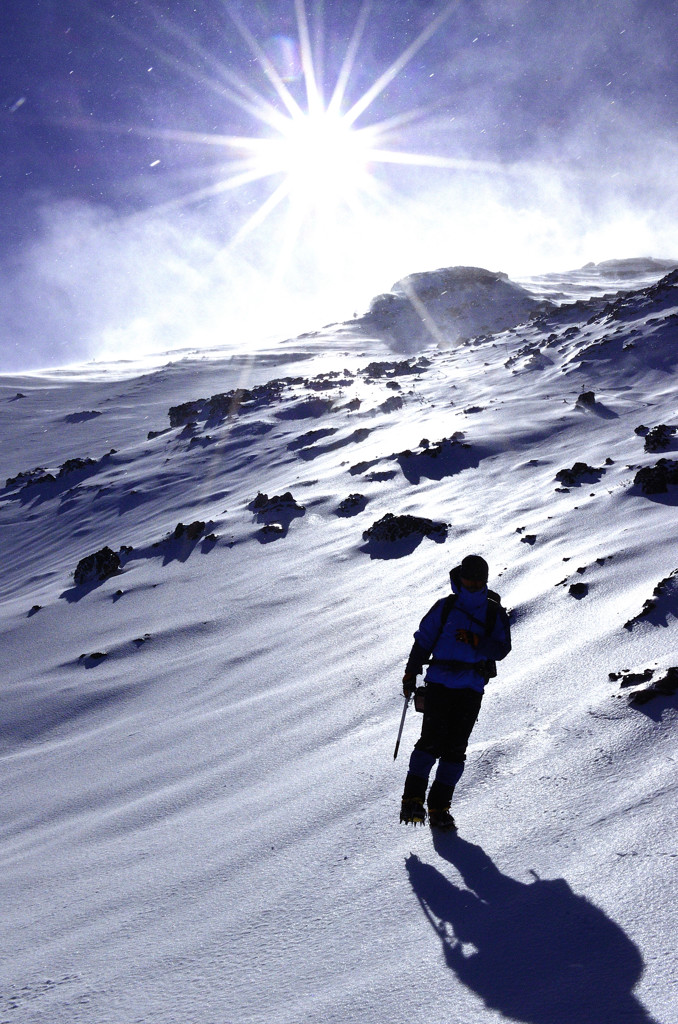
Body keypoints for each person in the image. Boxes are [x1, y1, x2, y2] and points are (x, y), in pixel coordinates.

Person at [400, 554, 511, 829]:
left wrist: (476, 641)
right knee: (432, 742)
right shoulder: (446, 608)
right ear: (460, 577)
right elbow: (423, 641)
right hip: (442, 684)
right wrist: (411, 671)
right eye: (469, 578)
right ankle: (415, 801)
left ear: (485, 580)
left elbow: (502, 649)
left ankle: (437, 806)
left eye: (478, 579)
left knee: (454, 748)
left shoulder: (493, 612)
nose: (473, 584)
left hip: (470, 687)